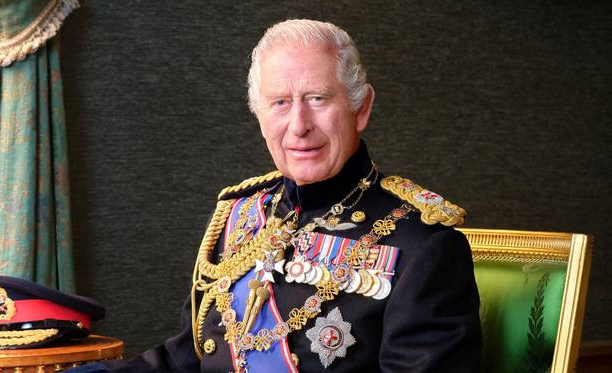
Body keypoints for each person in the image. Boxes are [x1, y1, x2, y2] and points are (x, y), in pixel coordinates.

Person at [73, 19, 481, 372]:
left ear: (361, 108)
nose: (299, 125)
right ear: (260, 114)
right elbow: (187, 360)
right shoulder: (239, 216)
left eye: (317, 99)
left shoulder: (423, 247)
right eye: (280, 103)